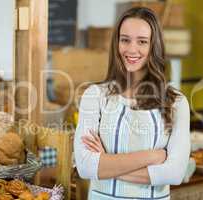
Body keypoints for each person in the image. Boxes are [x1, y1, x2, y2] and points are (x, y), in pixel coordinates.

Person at [74, 7, 190, 200]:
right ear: (116, 43)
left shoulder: (177, 102)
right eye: (125, 39)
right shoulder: (95, 96)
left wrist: (106, 165)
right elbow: (86, 167)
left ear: (154, 46)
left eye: (142, 41)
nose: (131, 49)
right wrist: (153, 157)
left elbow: (175, 174)